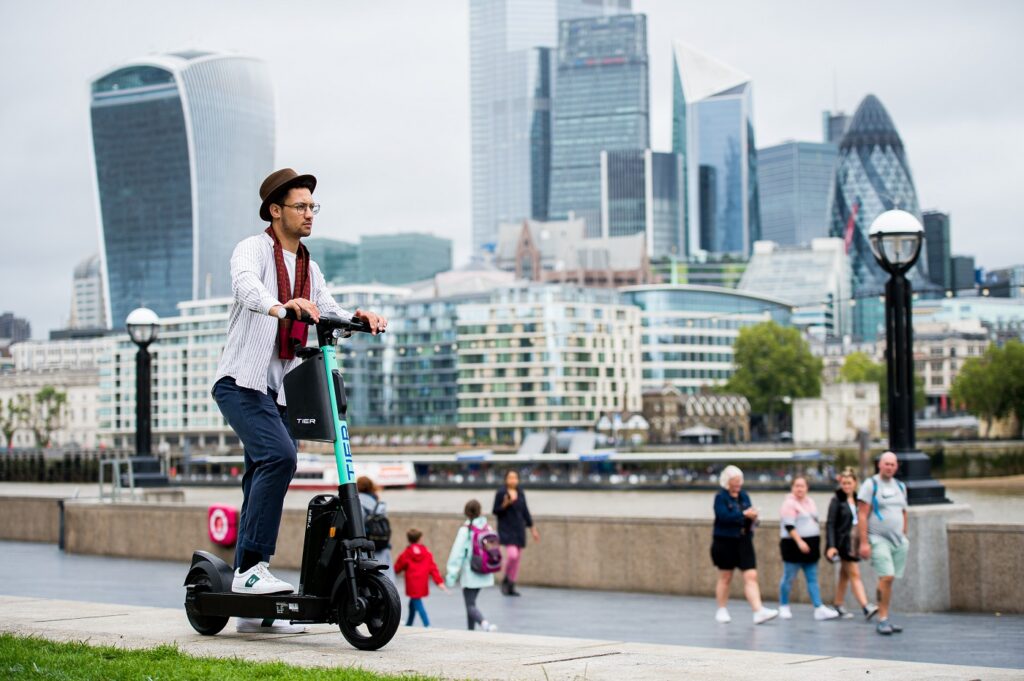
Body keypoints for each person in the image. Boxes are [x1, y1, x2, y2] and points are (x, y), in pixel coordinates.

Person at [211, 168, 386, 633]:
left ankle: (249, 574)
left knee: (259, 471)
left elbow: (324, 307)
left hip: (278, 391)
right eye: (300, 206)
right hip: (241, 384)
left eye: (313, 207)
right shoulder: (253, 249)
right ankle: (250, 571)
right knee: (280, 458)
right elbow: (245, 286)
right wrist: (280, 306)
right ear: (275, 210)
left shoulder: (308, 265)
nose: (309, 214)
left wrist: (357, 317)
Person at [711, 465, 778, 625]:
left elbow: (749, 515)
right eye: (735, 481)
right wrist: (742, 514)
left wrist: (753, 517)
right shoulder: (721, 497)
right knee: (725, 576)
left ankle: (758, 610)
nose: (738, 484)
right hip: (725, 541)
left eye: (740, 481)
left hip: (744, 540)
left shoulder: (744, 496)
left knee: (751, 575)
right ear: (728, 482)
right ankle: (721, 608)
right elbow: (723, 516)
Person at [857, 451, 909, 635]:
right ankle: (882, 618)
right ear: (879, 464)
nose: (890, 467)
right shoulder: (870, 485)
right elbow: (862, 514)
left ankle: (885, 615)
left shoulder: (901, 486)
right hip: (878, 538)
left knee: (890, 580)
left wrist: (904, 534)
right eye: (886, 463)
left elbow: (903, 511)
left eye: (893, 464)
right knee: (886, 576)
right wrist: (864, 542)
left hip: (898, 541)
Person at [777, 476, 839, 621]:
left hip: (811, 545)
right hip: (793, 545)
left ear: (807, 488)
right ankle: (784, 605)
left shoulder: (810, 502)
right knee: (789, 577)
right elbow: (789, 525)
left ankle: (818, 607)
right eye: (797, 486)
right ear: (792, 488)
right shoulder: (788, 504)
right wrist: (799, 541)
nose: (800, 489)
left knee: (812, 578)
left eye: (802, 486)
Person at [825, 467, 879, 620]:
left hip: (854, 542)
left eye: (849, 483)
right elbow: (830, 524)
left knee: (845, 575)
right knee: (854, 573)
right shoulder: (836, 501)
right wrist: (831, 545)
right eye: (844, 483)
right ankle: (865, 606)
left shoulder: (857, 500)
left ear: (855, 483)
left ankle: (838, 603)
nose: (846, 486)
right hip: (843, 543)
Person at [445, 499, 498, 631]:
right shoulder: (488, 528)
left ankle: (485, 624)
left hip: (470, 572)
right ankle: (470, 632)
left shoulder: (466, 530)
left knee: (470, 605)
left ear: (466, 513)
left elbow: (457, 554)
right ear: (480, 511)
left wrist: (451, 576)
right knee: (471, 603)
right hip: (484, 570)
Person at [492, 469, 540, 596]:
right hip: (506, 528)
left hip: (519, 528)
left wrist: (533, 529)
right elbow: (496, 511)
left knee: (517, 558)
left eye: (515, 478)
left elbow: (525, 512)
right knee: (512, 555)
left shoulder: (521, 493)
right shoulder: (501, 493)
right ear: (506, 479)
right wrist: (505, 504)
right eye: (510, 478)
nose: (513, 480)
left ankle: (511, 585)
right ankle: (506, 579)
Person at [394, 528, 448, 627]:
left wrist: (392, 573)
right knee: (413, 603)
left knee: (417, 603)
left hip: (411, 583)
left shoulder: (406, 553)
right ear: (420, 539)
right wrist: (439, 582)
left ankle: (427, 624)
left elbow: (398, 567)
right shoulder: (426, 552)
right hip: (422, 583)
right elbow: (433, 568)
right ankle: (409, 624)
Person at [358, 475, 396, 584]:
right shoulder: (379, 504)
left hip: (365, 547)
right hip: (382, 546)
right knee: (384, 578)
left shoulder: (356, 503)